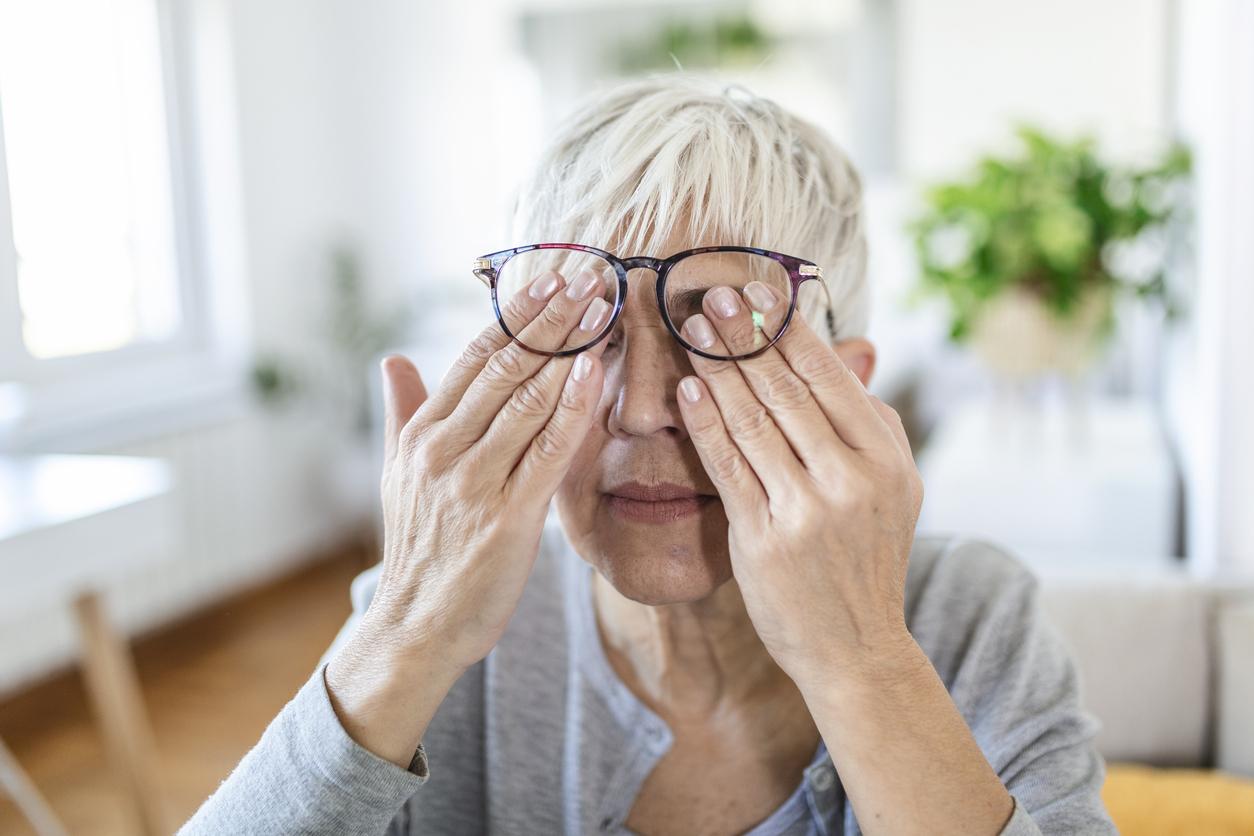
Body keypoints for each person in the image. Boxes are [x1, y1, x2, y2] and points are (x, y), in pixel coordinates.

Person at [180, 75, 1115, 835]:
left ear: (852, 393)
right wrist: (410, 631)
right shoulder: (432, 628)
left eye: (722, 326)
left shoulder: (971, 618)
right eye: (584, 328)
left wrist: (859, 658)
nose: (637, 410)